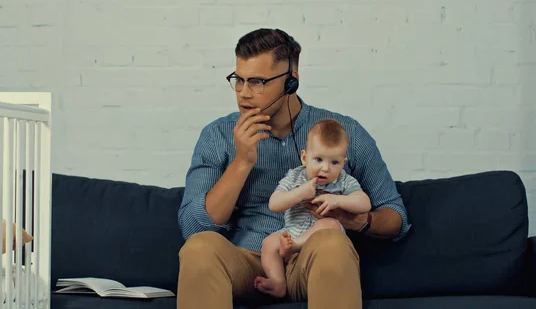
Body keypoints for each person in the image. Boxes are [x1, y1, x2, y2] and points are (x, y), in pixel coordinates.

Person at [176, 28, 411, 309]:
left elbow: (396, 217)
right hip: (249, 262)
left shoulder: (343, 133)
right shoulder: (219, 135)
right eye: (238, 80)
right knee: (199, 249)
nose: (244, 94)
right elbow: (194, 227)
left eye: (258, 82)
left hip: (313, 258)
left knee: (332, 244)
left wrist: (356, 221)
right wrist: (242, 162)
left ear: (291, 82)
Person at [254, 118, 372, 298]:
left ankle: (295, 246)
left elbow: (364, 203)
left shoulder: (344, 180)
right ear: (304, 157)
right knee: (269, 242)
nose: (325, 168)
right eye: (318, 159)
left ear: (343, 162)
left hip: (323, 242)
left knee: (330, 225)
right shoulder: (295, 178)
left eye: (334, 162)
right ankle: (278, 283)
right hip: (291, 233)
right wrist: (299, 193)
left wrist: (338, 201)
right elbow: (274, 204)